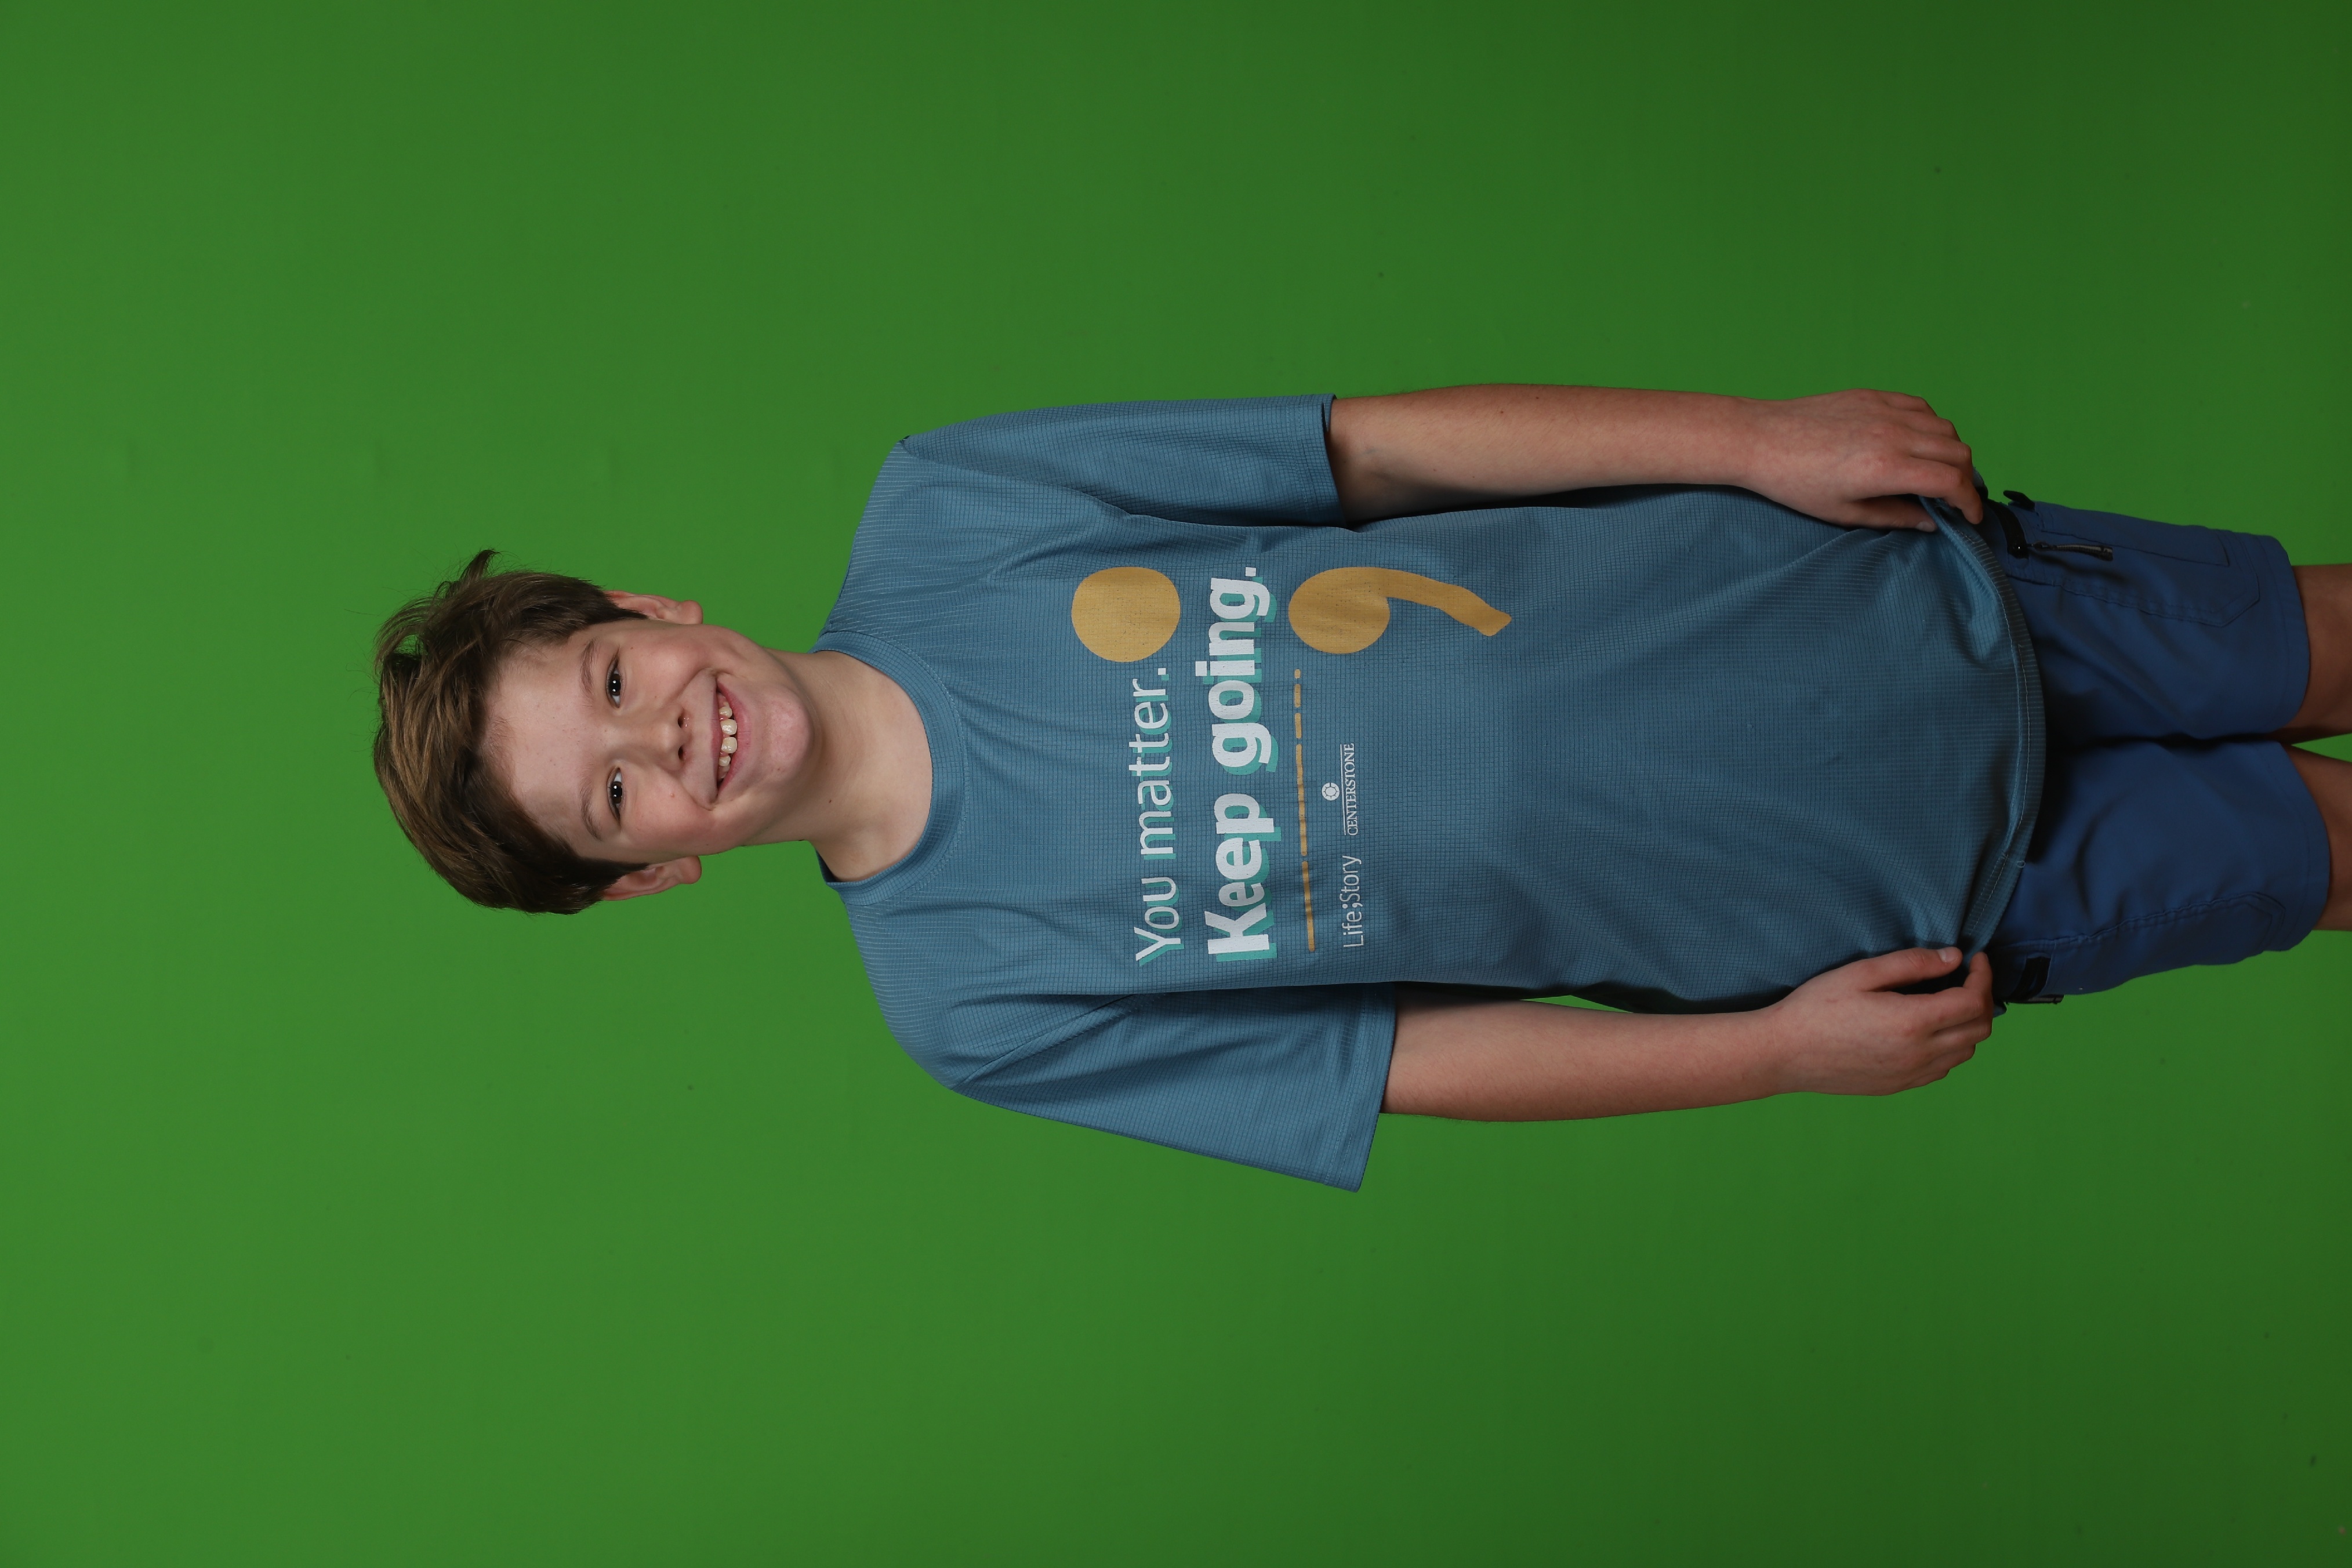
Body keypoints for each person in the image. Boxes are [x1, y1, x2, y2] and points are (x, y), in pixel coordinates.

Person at [372, 386, 2350, 1188]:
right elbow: (1401, 1060)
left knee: (2322, 631)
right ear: (649, 879)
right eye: (613, 799)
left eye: (613, 680)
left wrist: (1756, 443)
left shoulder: (952, 506)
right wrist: (1773, 1052)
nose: (665, 737)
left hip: (1868, 596)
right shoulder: (965, 1000)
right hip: (1897, 891)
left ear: (651, 610)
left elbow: (1373, 450)